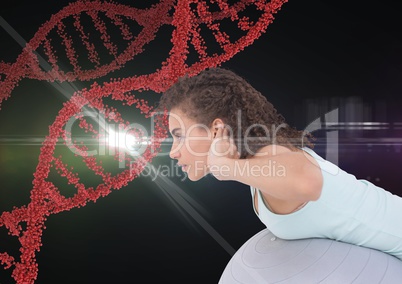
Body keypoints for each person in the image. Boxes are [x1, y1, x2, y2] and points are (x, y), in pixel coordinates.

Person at [156, 67, 402, 261]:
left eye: (179, 135)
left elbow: (308, 184)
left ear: (216, 130)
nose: (173, 152)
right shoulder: (258, 164)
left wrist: (224, 166)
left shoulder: (270, 154)